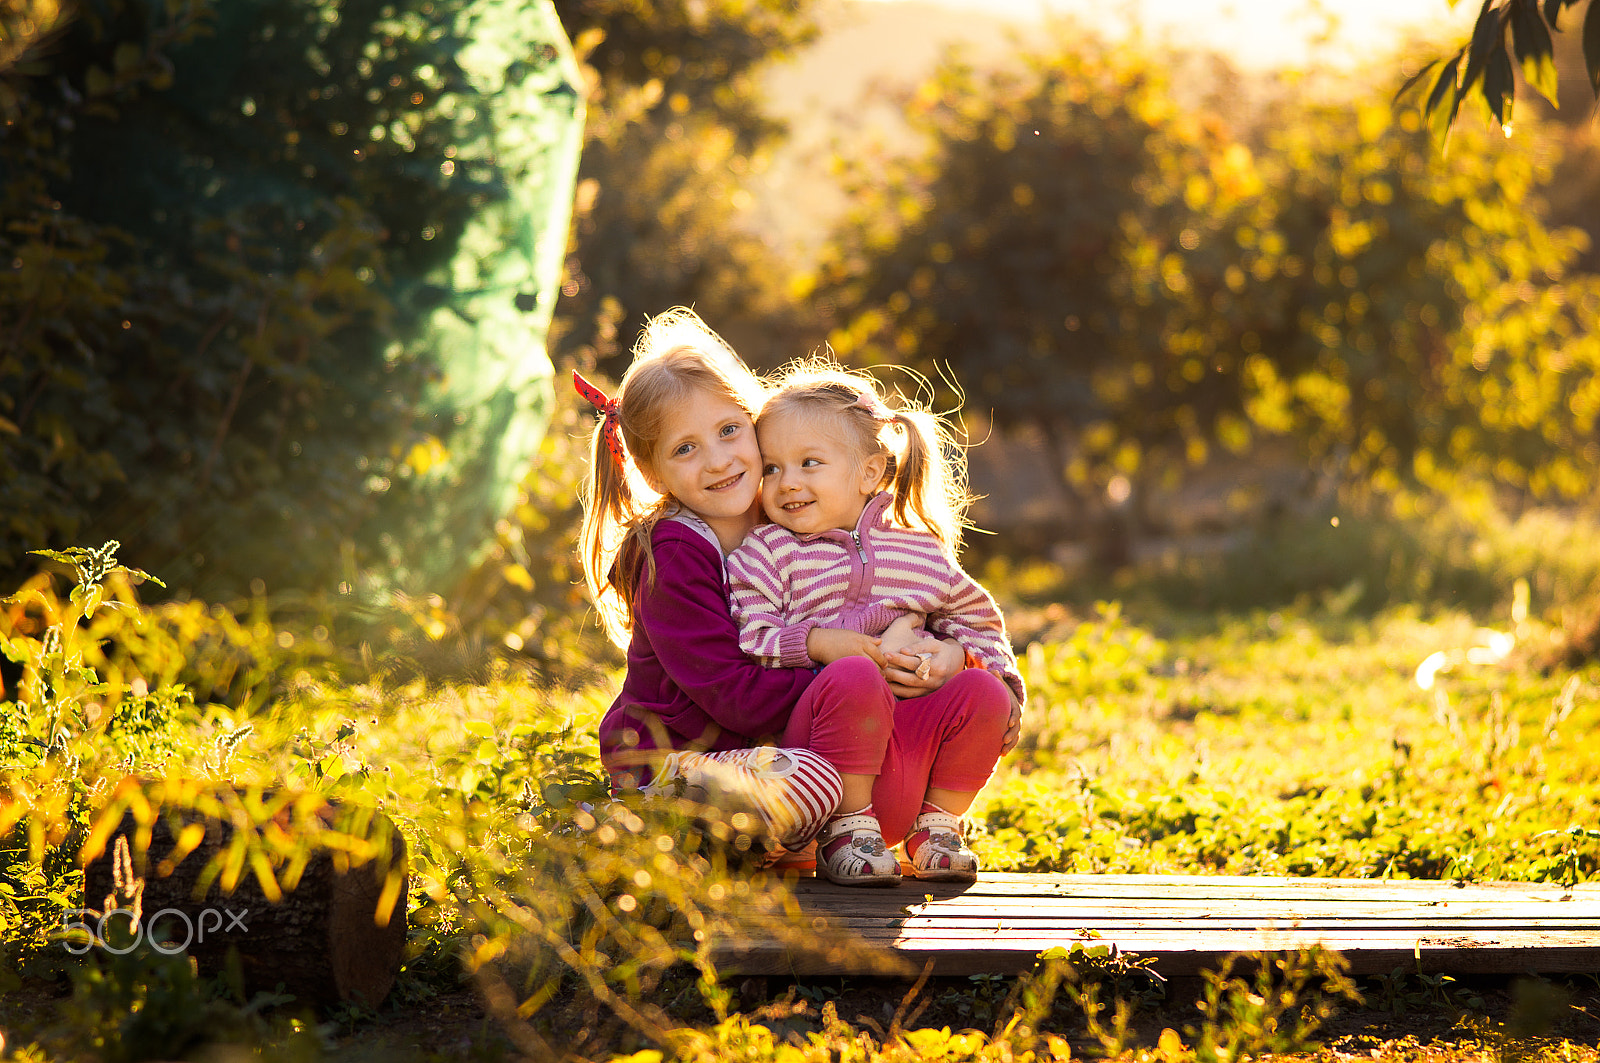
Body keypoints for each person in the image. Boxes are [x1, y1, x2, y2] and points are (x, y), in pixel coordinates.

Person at [574, 308, 973, 859]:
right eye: (684, 448)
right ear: (652, 473)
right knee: (811, 782)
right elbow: (733, 698)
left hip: (765, 750)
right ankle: (646, 829)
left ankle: (836, 835)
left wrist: (928, 647)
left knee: (864, 769)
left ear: (755, 424)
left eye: (729, 430)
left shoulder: (788, 520)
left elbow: (871, 600)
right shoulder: (673, 553)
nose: (718, 460)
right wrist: (855, 669)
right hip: (675, 760)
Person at [726, 361, 1024, 886]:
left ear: (869, 473)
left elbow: (979, 622)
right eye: (771, 468)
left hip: (906, 754)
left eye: (808, 463)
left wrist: (961, 659)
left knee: (984, 689)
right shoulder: (766, 551)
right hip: (823, 766)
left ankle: (936, 827)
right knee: (855, 673)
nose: (786, 482)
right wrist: (822, 643)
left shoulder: (919, 549)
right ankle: (846, 831)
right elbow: (751, 635)